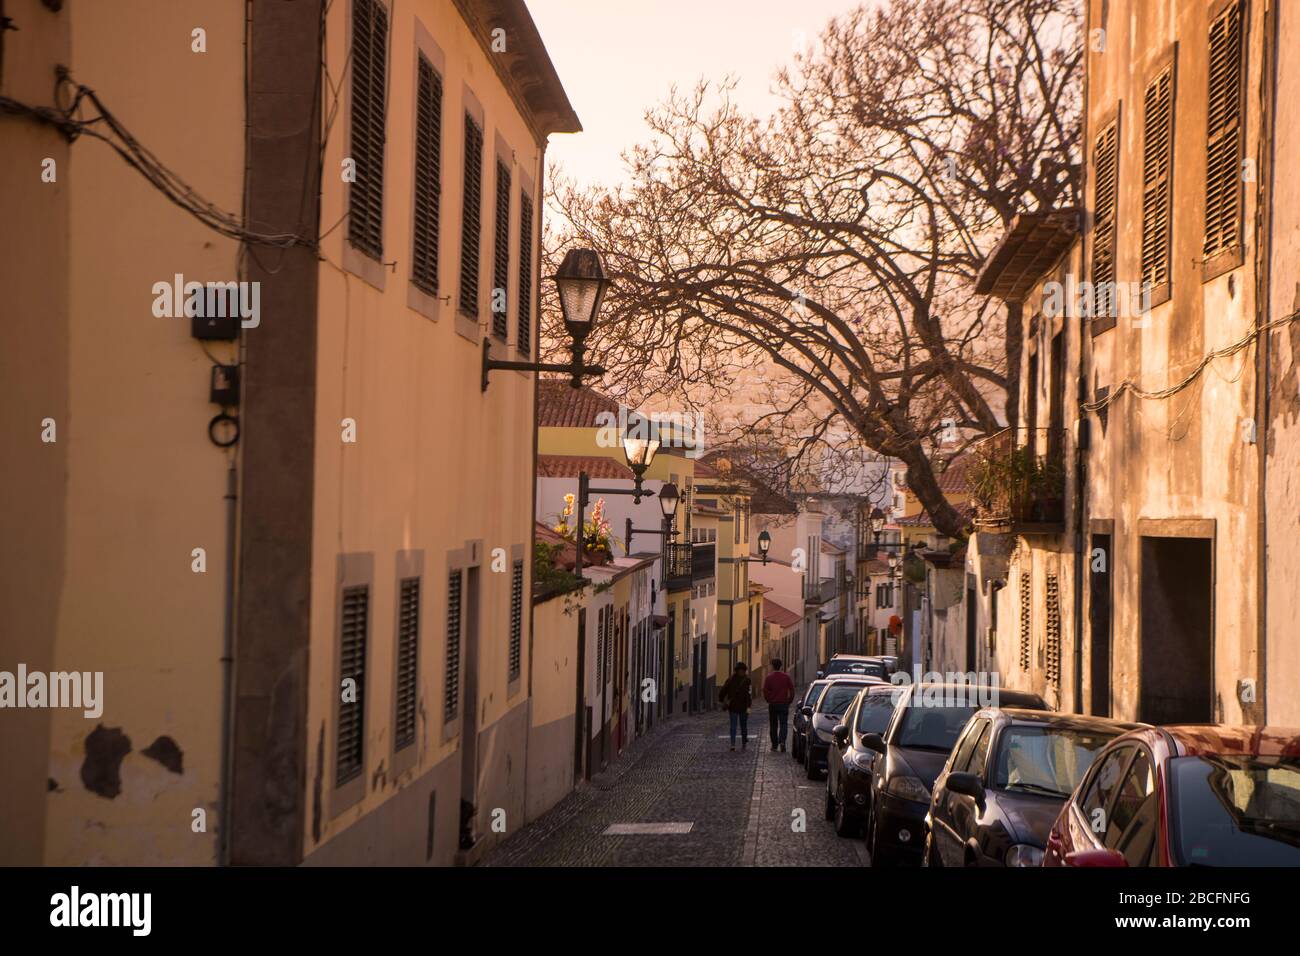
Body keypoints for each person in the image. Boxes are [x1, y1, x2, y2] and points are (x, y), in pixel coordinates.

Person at [762, 659, 795, 751]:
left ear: (772, 666)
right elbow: (792, 690)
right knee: (783, 724)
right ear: (781, 666)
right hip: (783, 704)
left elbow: (765, 690)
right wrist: (789, 700)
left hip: (773, 704)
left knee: (773, 725)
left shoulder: (769, 677)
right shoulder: (786, 677)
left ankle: (774, 745)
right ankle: (782, 742)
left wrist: (769, 699)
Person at [719, 662, 753, 750]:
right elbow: (749, 695)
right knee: (743, 725)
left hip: (733, 707)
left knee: (733, 726)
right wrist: (749, 707)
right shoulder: (747, 680)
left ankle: (733, 744)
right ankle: (743, 741)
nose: (742, 672)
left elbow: (723, 691)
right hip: (743, 707)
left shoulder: (730, 680)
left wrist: (721, 700)